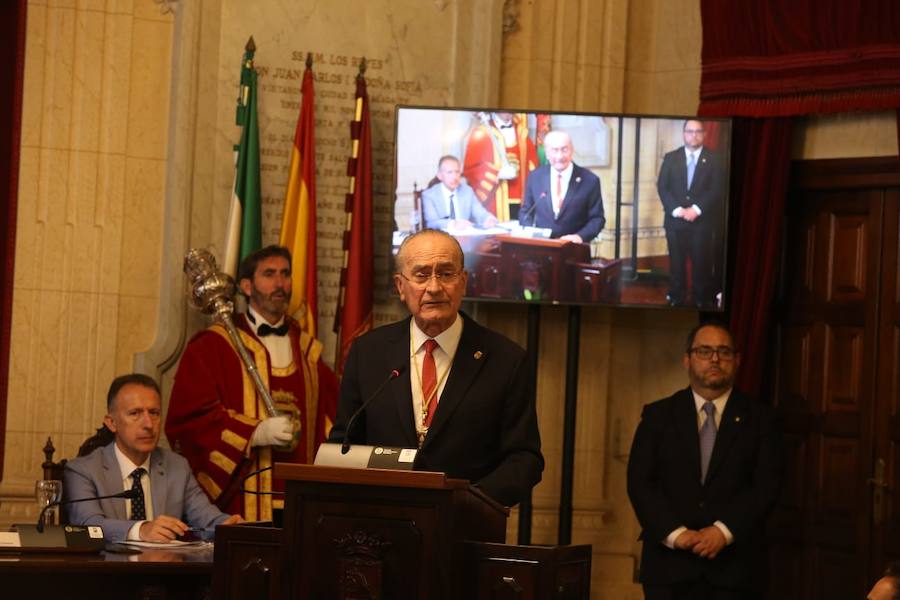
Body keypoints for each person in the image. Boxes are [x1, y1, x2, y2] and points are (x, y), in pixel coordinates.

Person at [328, 229, 543, 506]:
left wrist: (471, 504)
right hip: (379, 526)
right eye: (421, 275)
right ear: (400, 287)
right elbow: (344, 444)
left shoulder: (505, 359)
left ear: (463, 282)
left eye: (446, 273)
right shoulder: (368, 353)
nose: (434, 287)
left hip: (465, 530)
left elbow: (524, 458)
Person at [166, 245, 339, 521]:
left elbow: (337, 420)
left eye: (285, 274)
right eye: (269, 274)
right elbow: (188, 420)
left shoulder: (309, 351)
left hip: (299, 503)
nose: (280, 283)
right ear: (247, 286)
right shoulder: (213, 346)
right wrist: (253, 433)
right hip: (240, 502)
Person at [626, 322, 784, 599]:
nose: (714, 359)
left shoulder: (762, 420)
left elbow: (766, 486)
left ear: (737, 361)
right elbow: (640, 483)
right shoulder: (658, 416)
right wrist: (676, 534)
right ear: (687, 359)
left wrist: (723, 531)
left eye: (724, 352)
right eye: (705, 351)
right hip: (669, 566)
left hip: (736, 569)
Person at [64, 374, 242, 542]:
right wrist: (141, 530)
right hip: (105, 570)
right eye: (135, 413)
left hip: (164, 569)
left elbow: (207, 519)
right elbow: (87, 525)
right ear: (112, 423)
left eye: (154, 413)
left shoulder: (177, 466)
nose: (148, 424)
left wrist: (229, 527)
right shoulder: (83, 470)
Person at [657, 119, 725, 308]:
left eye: (697, 132)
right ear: (683, 134)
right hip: (675, 221)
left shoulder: (715, 159)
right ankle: (676, 297)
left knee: (701, 265)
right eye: (689, 131)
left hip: (701, 223)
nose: (693, 135)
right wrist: (678, 210)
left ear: (704, 134)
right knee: (676, 265)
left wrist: (696, 210)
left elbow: (716, 189)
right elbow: (663, 187)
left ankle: (701, 299)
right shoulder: (671, 157)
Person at [518, 130, 605, 243]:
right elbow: (526, 212)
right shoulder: (535, 177)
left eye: (564, 150)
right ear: (547, 153)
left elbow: (597, 219)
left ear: (572, 150)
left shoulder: (590, 180)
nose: (560, 156)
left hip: (574, 250)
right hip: (541, 248)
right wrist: (531, 235)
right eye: (554, 150)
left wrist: (580, 236)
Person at [463, 111, 538, 221]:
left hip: (521, 200)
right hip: (495, 202)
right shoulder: (482, 133)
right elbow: (471, 170)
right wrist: (497, 173)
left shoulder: (523, 134)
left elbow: (534, 167)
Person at [421, 155, 498, 231]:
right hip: (441, 239)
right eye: (449, 172)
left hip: (466, 237)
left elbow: (480, 213)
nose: (454, 177)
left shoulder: (467, 191)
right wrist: (453, 224)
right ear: (439, 175)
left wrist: (489, 218)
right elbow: (431, 223)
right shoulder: (429, 195)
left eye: (457, 172)